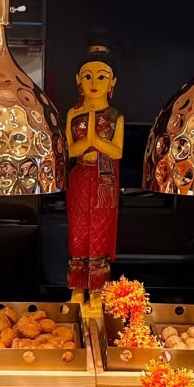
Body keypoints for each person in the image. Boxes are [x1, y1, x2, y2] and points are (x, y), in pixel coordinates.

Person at [66, 37, 124, 319]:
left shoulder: (115, 117)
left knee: (99, 233)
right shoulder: (73, 113)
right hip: (80, 174)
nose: (94, 82)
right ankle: (78, 288)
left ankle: (97, 291)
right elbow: (70, 150)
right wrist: (89, 139)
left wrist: (92, 139)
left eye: (102, 76)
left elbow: (117, 151)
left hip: (104, 178)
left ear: (112, 82)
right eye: (87, 76)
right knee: (78, 232)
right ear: (78, 79)